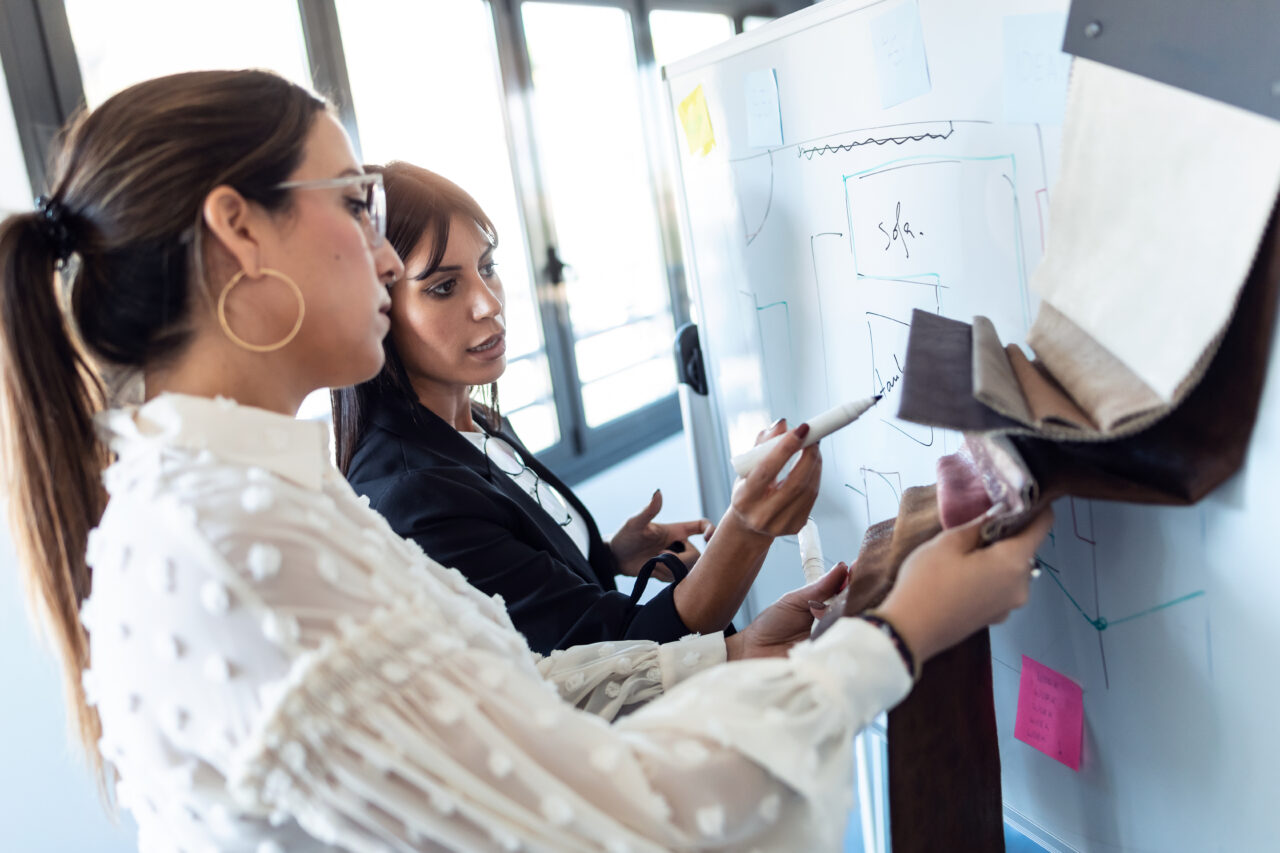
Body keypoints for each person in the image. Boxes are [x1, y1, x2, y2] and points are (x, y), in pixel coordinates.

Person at [0, 69, 1052, 852]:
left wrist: (725, 657)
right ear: (239, 228)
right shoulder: (234, 543)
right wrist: (897, 630)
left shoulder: (261, 494)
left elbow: (513, 695)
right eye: (356, 200)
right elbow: (617, 818)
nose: (376, 251)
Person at [333, 162, 782, 653]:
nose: (489, 304)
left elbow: (526, 601)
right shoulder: (411, 495)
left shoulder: (479, 419)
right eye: (444, 287)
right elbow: (620, 654)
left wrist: (605, 556)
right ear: (376, 309)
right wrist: (748, 526)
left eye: (487, 268)